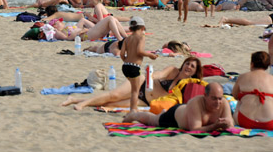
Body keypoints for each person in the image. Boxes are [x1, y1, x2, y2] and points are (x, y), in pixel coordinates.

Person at [61, 56, 203, 110]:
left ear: (195, 72)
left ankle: (74, 99)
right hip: (140, 84)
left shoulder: (188, 87)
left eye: (192, 66)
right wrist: (150, 76)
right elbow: (158, 75)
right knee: (114, 95)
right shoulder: (172, 71)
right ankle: (83, 104)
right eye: (187, 63)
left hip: (145, 102)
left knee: (111, 104)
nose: (188, 67)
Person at [123, 83, 233, 132]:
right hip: (175, 117)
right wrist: (215, 126)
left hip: (186, 112)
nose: (218, 102)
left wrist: (226, 124)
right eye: (214, 98)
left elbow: (230, 125)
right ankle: (134, 114)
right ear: (205, 96)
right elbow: (194, 129)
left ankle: (162, 113)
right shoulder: (196, 103)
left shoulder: (224, 103)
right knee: (153, 120)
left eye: (219, 98)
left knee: (158, 117)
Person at [119, 16, 158, 112]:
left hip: (125, 66)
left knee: (133, 88)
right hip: (134, 67)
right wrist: (150, 55)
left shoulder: (127, 39)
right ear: (142, 28)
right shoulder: (141, 37)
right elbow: (139, 51)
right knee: (135, 91)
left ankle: (133, 108)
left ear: (130, 28)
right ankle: (133, 109)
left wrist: (126, 61)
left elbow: (121, 54)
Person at [232, 51, 273, 130]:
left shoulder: (243, 77)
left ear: (252, 64)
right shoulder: (272, 79)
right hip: (270, 123)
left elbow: (234, 95)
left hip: (245, 121)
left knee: (240, 100)